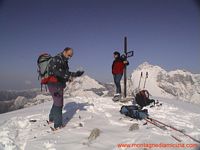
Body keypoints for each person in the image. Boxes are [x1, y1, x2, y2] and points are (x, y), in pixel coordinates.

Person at [47, 47, 84, 130]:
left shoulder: (64, 60)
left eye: (71, 56)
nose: (69, 57)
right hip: (54, 83)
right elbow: (57, 72)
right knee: (59, 104)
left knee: (57, 101)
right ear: (64, 51)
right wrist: (72, 74)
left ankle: (51, 119)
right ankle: (58, 125)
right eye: (69, 55)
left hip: (58, 84)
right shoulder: (57, 59)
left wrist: (72, 76)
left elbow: (64, 73)